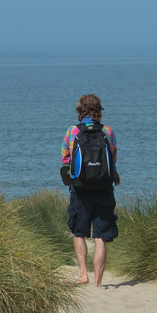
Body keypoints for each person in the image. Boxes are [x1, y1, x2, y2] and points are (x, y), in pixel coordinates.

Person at [60, 93, 118, 286]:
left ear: (80, 109)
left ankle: (83, 274)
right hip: (104, 187)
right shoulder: (107, 131)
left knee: (79, 232)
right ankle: (98, 282)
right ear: (99, 110)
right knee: (100, 237)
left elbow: (65, 159)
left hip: (81, 188)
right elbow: (114, 158)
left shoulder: (72, 131)